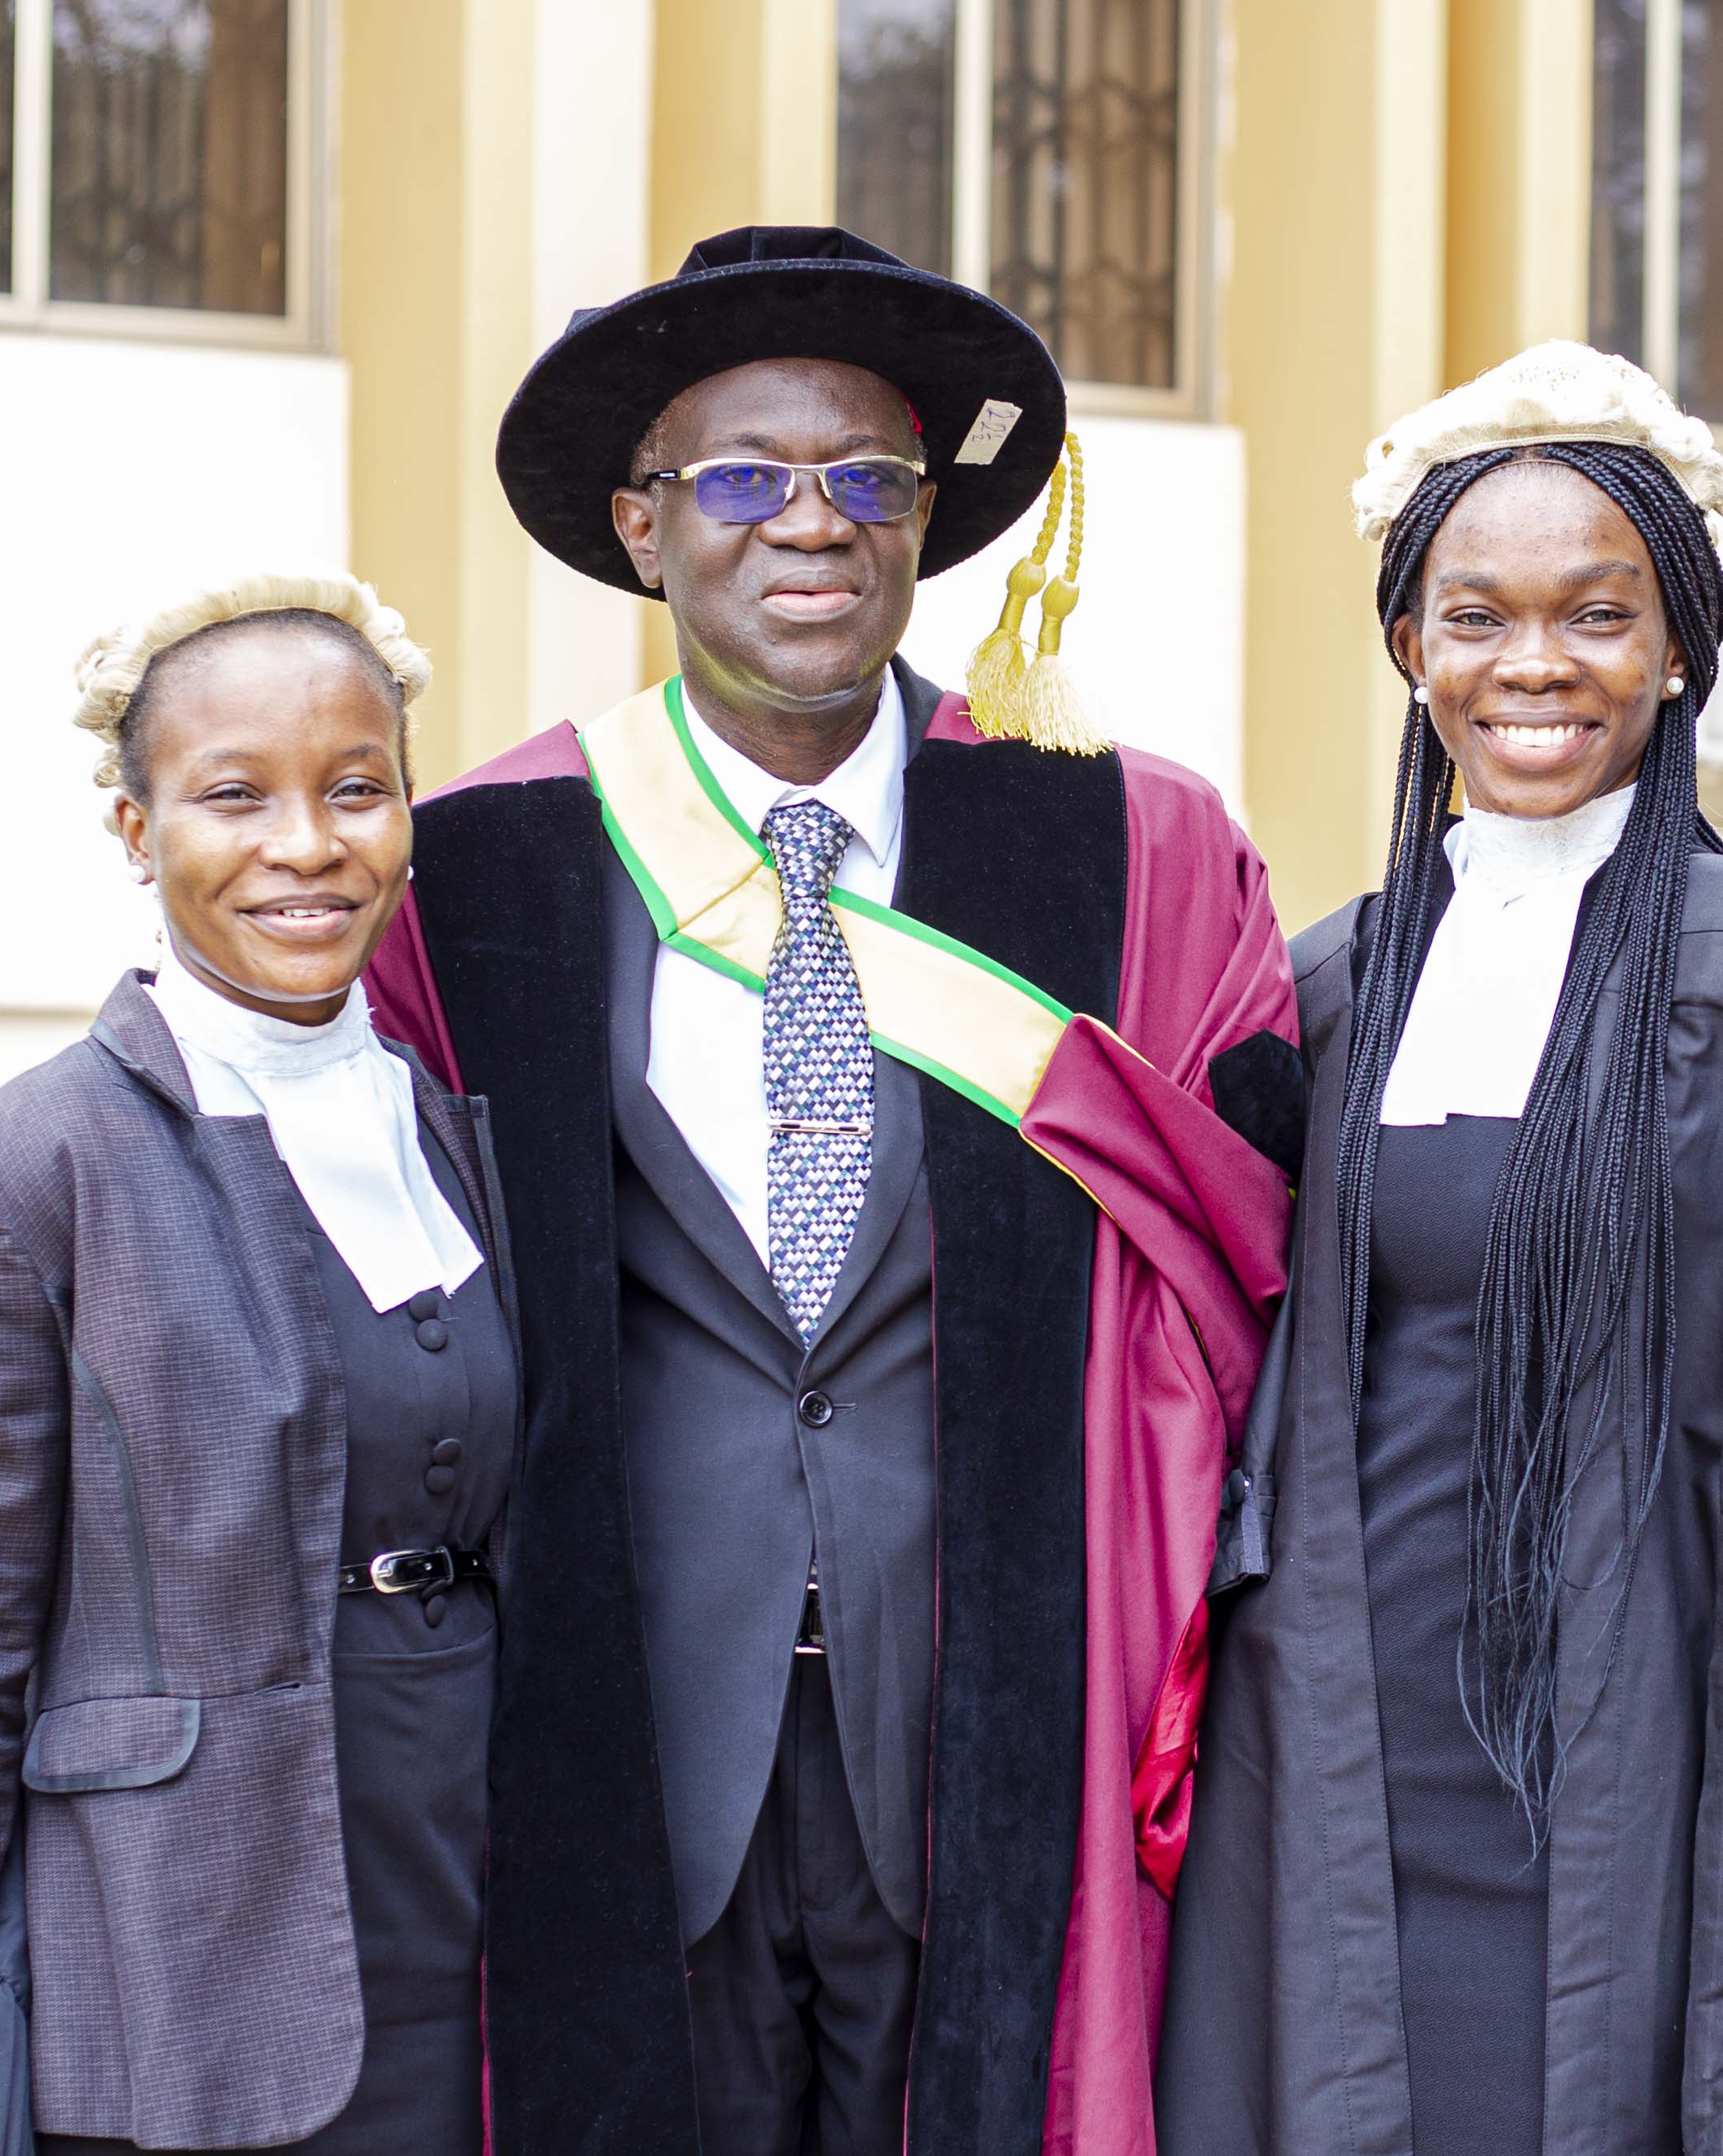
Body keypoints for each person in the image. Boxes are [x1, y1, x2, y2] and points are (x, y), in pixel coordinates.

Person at [358, 225, 1300, 2156]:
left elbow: (1236, 1257)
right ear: (641, 526)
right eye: (741, 477)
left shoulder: (1129, 845)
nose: (812, 522)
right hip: (621, 1689)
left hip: (997, 1694)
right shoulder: (480, 867)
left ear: (927, 520)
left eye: (868, 477)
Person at [1154, 343, 1723, 2156]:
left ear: (1678, 647)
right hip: (1332, 1766)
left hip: (1643, 1775)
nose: (1533, 664)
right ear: (1410, 648)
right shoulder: (1326, 983)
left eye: (1596, 615)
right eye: (1478, 618)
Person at [0, 575, 512, 2154]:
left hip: (481, 1896)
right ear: (137, 831)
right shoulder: (14, 1181)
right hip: (187, 1952)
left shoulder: (460, 1122)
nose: (307, 844)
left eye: (356, 788)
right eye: (235, 795)